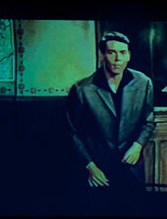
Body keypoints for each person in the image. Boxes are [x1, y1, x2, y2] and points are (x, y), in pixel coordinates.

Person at [66, 30, 155, 196]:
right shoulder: (82, 89)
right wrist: (90, 166)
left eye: (122, 52)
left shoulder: (144, 83)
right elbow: (72, 133)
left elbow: (148, 122)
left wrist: (138, 146)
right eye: (111, 52)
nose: (118, 58)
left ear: (129, 55)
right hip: (98, 169)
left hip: (131, 165)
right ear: (102, 55)